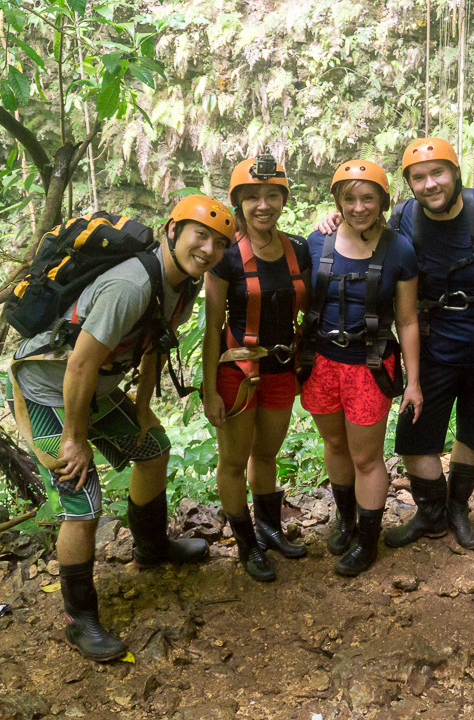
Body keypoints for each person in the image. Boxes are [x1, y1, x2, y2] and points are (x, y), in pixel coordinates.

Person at [8, 195, 235, 661]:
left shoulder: (182, 284)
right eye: (200, 235)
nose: (208, 249)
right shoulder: (130, 285)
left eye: (218, 242)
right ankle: (80, 620)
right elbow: (79, 364)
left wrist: (146, 406)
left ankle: (151, 548)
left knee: (152, 448)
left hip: (96, 387)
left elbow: (154, 343)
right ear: (172, 231)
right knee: (82, 498)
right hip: (47, 388)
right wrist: (74, 439)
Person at [316, 138, 474, 550]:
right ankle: (431, 513)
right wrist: (336, 218)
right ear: (407, 185)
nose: (430, 184)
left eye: (438, 173)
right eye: (418, 178)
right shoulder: (404, 218)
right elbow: (365, 230)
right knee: (414, 438)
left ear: (456, 173)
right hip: (433, 342)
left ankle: (457, 509)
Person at [300, 160, 422, 576]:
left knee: (366, 457)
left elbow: (407, 320)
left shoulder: (399, 249)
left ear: (383, 201)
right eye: (348, 198)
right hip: (320, 362)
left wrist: (414, 382)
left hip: (368, 365)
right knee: (335, 446)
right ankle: (346, 519)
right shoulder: (317, 243)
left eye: (368, 197)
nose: (358, 207)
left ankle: (367, 542)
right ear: (336, 201)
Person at [202, 155, 312, 583]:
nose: (263, 205)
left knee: (266, 454)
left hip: (282, 368)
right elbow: (212, 326)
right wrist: (209, 388)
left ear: (283, 199)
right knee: (233, 461)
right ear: (239, 204)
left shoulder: (297, 248)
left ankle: (269, 528)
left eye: (272, 196)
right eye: (252, 198)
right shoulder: (226, 257)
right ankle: (247, 544)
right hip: (237, 370)